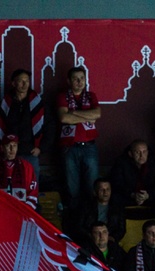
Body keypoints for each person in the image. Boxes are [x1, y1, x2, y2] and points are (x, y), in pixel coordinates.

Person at [57, 66, 101, 209]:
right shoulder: (63, 96)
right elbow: (64, 118)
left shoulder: (91, 96)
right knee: (72, 186)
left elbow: (97, 114)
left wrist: (74, 112)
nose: (79, 81)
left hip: (89, 146)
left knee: (92, 185)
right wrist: (87, 117)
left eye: (82, 78)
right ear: (69, 81)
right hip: (70, 147)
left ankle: (92, 217)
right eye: (75, 79)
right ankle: (73, 217)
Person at [0, 69, 44, 178]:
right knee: (9, 183)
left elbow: (49, 126)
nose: (24, 84)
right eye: (21, 81)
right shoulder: (6, 103)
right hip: (9, 153)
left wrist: (41, 148)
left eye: (27, 81)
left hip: (30, 152)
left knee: (32, 183)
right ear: (13, 83)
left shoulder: (37, 102)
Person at [109, 140, 155, 215]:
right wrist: (133, 194)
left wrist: (149, 195)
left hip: (149, 196)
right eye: (137, 152)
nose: (141, 155)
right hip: (129, 196)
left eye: (144, 152)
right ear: (130, 154)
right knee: (114, 197)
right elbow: (117, 183)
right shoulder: (121, 163)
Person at [0, 134, 38, 208]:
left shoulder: (27, 167)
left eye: (14, 146)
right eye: (8, 146)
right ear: (2, 148)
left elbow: (32, 192)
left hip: (20, 211)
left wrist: (25, 210)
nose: (12, 149)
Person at [76, 179, 126, 246]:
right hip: (90, 241)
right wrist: (91, 236)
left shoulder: (117, 207)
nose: (105, 192)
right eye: (102, 190)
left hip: (109, 241)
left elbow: (121, 229)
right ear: (95, 192)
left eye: (108, 189)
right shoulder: (86, 206)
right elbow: (79, 226)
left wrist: (113, 238)